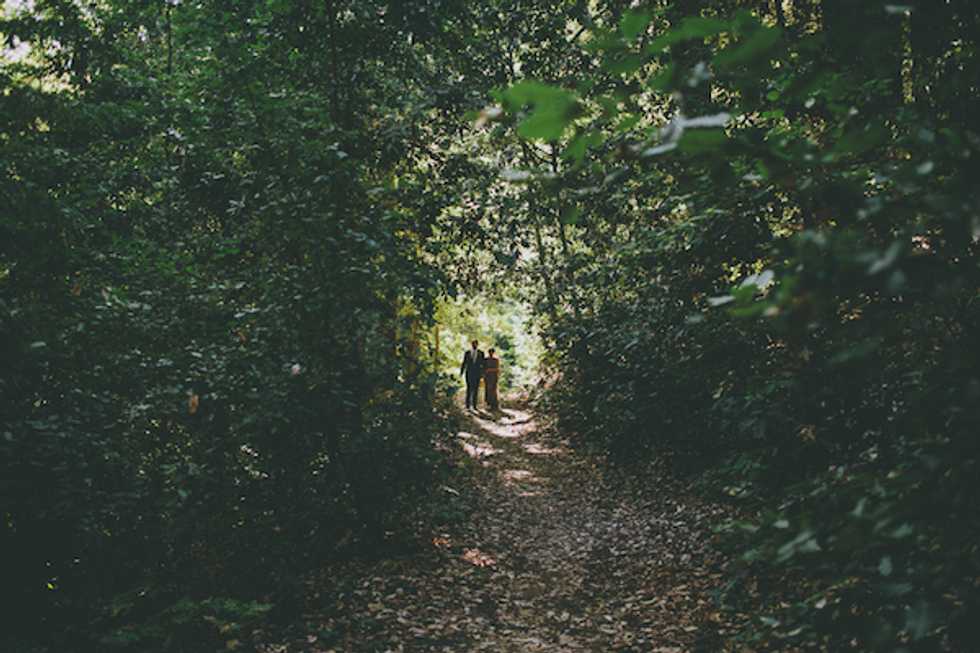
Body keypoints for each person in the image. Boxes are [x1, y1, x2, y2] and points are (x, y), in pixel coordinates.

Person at [460, 339, 485, 410]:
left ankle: (474, 405)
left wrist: (483, 374)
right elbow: (464, 362)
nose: (474, 345)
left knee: (476, 389)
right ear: (471, 344)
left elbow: (483, 364)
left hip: (477, 373)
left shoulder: (481, 353)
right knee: (469, 388)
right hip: (469, 373)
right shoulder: (467, 353)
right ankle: (467, 405)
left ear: (477, 344)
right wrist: (461, 372)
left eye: (476, 344)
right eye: (473, 344)